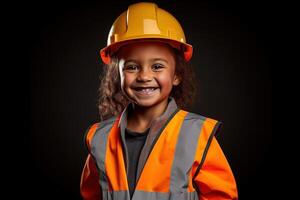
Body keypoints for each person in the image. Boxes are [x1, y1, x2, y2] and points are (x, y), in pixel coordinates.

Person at [80, 2, 238, 200]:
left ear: (176, 75)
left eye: (157, 66)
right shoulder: (99, 139)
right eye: (131, 67)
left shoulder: (197, 135)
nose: (144, 76)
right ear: (117, 75)